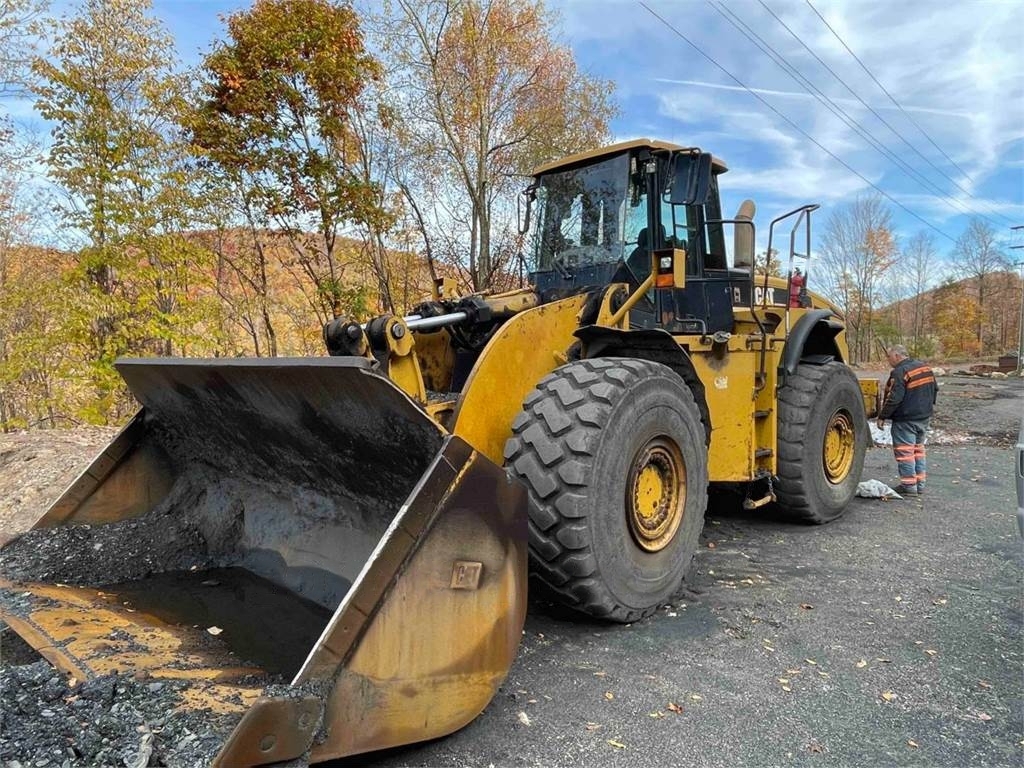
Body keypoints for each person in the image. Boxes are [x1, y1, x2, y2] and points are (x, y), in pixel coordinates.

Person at [877, 345, 937, 495]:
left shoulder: (900, 372)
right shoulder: (924, 368)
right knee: (918, 450)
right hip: (924, 417)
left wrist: (883, 416)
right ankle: (920, 484)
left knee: (905, 452)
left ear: (897, 356)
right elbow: (934, 390)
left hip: (906, 419)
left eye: (889, 357)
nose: (888, 360)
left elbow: (894, 398)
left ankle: (909, 486)